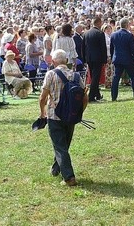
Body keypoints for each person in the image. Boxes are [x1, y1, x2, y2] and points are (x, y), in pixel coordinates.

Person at [38, 49, 88, 186]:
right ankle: (55, 169)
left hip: (54, 116)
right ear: (66, 61)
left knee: (60, 146)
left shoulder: (51, 74)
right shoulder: (76, 76)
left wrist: (42, 112)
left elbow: (42, 97)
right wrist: (79, 113)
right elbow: (85, 98)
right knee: (63, 145)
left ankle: (69, 177)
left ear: (53, 62)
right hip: (71, 116)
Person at [109, 17, 134, 101]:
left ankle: (114, 96)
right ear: (127, 25)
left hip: (117, 59)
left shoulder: (113, 35)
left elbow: (112, 49)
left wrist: (113, 57)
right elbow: (132, 49)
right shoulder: (129, 35)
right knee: (133, 77)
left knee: (116, 78)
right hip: (128, 59)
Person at [82, 16, 107, 102]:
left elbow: (83, 47)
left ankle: (97, 95)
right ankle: (91, 96)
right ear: (99, 23)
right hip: (98, 58)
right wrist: (104, 60)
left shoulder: (86, 33)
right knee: (96, 78)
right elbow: (103, 48)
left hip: (89, 58)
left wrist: (84, 59)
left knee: (94, 77)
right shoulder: (100, 33)